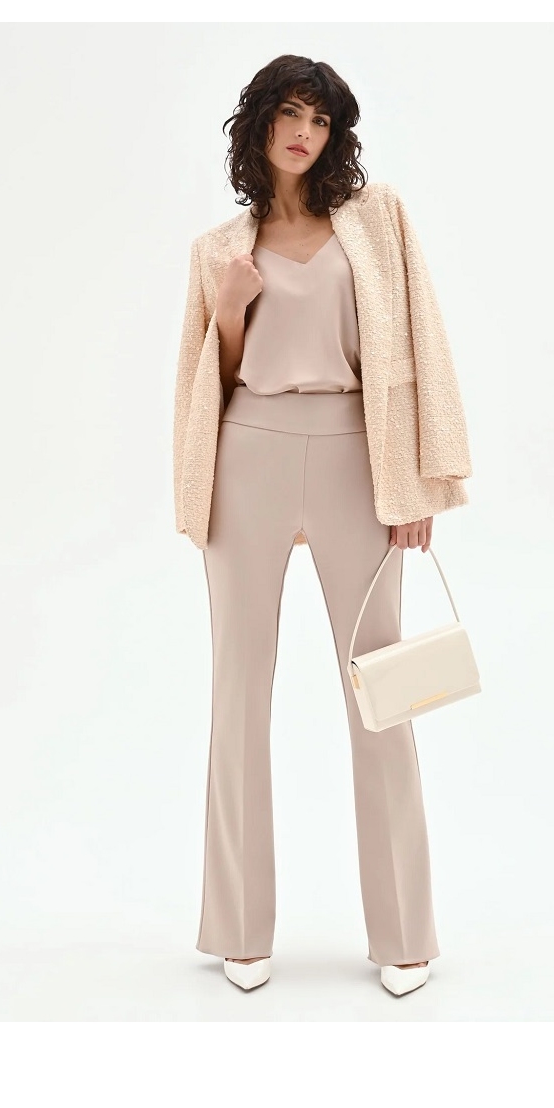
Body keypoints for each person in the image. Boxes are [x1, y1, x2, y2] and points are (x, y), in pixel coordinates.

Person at [172, 55, 473, 996]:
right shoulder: (220, 248)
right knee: (238, 690)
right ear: (259, 124)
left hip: (354, 456)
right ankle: (239, 924)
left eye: (321, 118)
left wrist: (417, 484)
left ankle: (404, 932)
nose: (304, 132)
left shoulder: (377, 219)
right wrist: (229, 308)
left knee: (380, 688)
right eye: (289, 113)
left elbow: (422, 341)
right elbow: (211, 379)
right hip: (248, 455)